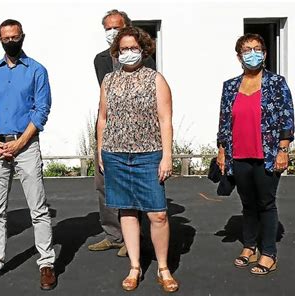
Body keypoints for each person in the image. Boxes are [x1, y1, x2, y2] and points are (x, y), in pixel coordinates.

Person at [0, 19, 56, 290]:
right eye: (6, 37)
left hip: (26, 146)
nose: (11, 41)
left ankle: (46, 262)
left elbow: (41, 110)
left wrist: (20, 142)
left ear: (22, 37)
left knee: (38, 209)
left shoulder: (37, 71)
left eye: (15, 36)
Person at [96, 27, 178, 292]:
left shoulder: (156, 79)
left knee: (158, 214)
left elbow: (166, 120)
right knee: (127, 211)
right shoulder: (109, 80)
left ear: (143, 49)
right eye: (123, 49)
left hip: (149, 155)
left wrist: (167, 156)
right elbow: (103, 118)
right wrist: (99, 150)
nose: (128, 53)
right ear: (116, 53)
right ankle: (135, 266)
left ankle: (163, 268)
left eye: (133, 48)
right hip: (115, 154)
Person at [216, 33, 295, 275]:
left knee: (266, 203)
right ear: (239, 56)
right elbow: (224, 120)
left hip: (268, 154)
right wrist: (221, 150)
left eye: (257, 48)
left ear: (265, 53)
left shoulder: (277, 83)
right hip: (238, 154)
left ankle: (268, 252)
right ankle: (249, 246)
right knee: (247, 204)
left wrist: (283, 149)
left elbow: (286, 117)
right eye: (247, 50)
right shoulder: (230, 86)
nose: (253, 53)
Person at [89, 9, 156, 257]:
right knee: (104, 183)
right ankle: (113, 235)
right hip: (109, 129)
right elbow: (108, 92)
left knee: (133, 185)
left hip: (138, 132)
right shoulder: (100, 60)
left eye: (116, 27)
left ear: (127, 26)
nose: (112, 32)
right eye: (108, 28)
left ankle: (134, 237)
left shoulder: (145, 58)